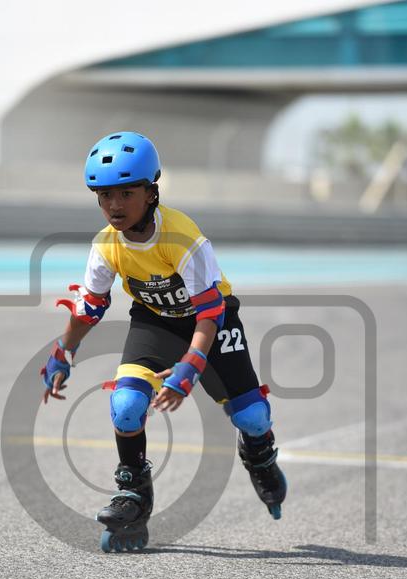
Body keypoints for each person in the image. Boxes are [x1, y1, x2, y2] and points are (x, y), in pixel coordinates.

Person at [41, 131, 287, 552]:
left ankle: (260, 454)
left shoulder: (181, 236)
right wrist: (63, 352)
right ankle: (134, 493)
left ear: (151, 192)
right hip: (155, 322)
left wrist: (191, 366)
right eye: (105, 196)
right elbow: (90, 307)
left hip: (211, 321)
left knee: (251, 417)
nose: (115, 205)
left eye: (126, 193)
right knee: (126, 405)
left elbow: (209, 312)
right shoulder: (106, 245)